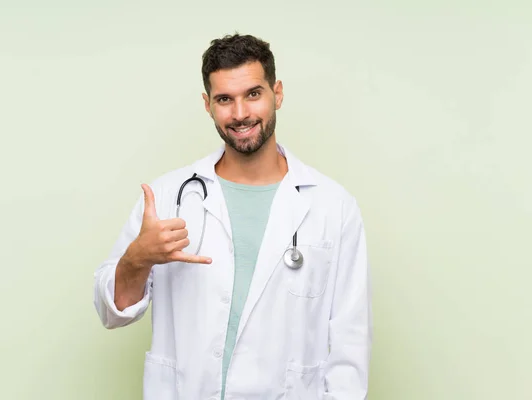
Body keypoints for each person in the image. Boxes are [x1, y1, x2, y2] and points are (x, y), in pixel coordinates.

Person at [93, 33, 372, 400]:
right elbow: (113, 313)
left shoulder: (334, 207)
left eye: (253, 94)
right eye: (225, 99)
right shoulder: (166, 198)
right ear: (208, 105)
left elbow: (351, 346)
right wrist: (137, 259)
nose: (240, 114)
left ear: (278, 93)